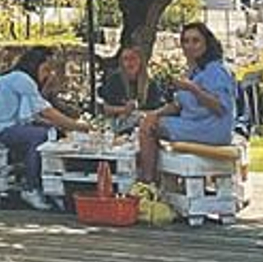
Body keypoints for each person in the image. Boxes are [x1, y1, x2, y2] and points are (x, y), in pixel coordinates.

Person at [0, 48, 94, 211]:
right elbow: (46, 111)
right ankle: (31, 188)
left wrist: (59, 124)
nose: (47, 74)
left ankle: (39, 181)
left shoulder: (18, 78)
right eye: (45, 69)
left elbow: (33, 114)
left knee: (47, 130)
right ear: (34, 66)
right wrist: (80, 127)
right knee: (41, 136)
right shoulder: (22, 79)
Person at [136, 22, 238, 183]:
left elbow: (220, 108)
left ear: (206, 43)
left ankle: (148, 181)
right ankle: (158, 179)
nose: (190, 46)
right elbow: (178, 105)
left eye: (195, 41)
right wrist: (154, 113)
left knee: (148, 128)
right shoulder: (196, 70)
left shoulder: (216, 70)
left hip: (211, 129)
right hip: (193, 123)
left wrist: (193, 89)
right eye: (186, 41)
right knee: (148, 121)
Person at [99, 45, 167, 132]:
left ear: (140, 61)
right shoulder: (114, 80)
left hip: (143, 123)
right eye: (125, 59)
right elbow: (106, 108)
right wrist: (124, 110)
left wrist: (138, 114)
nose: (129, 63)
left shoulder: (151, 84)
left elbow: (156, 110)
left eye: (133, 58)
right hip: (118, 122)